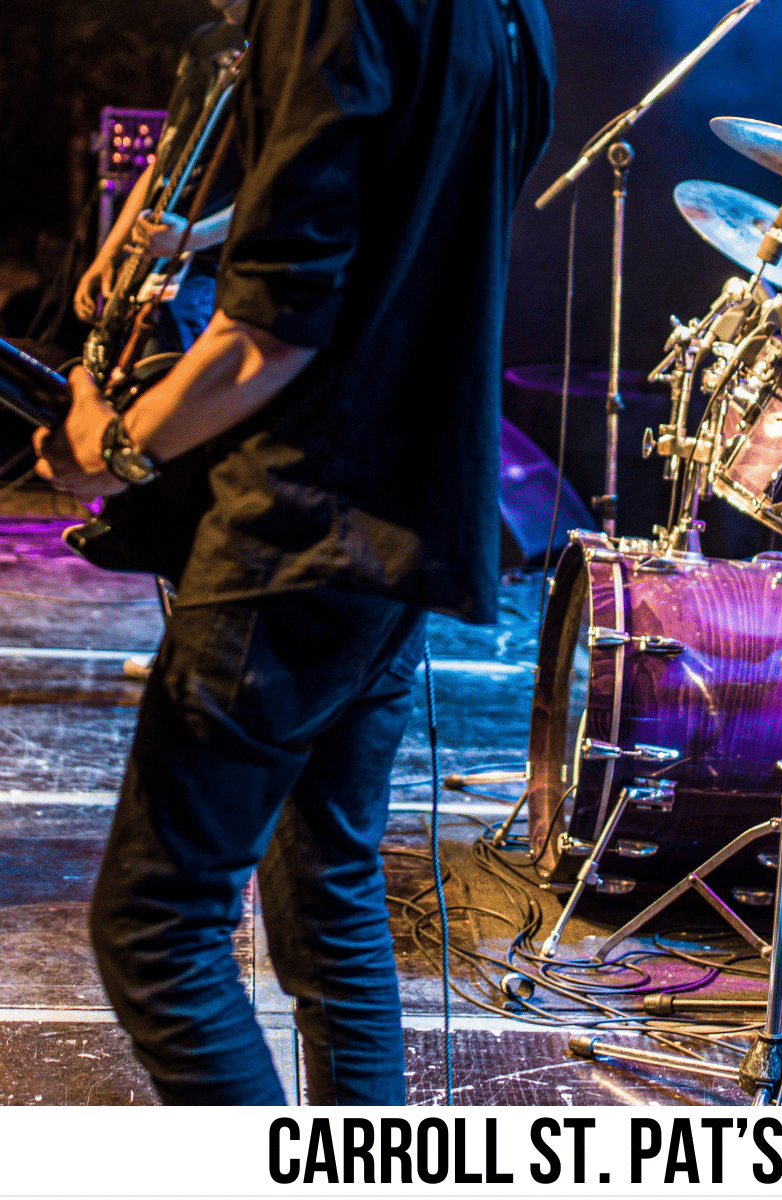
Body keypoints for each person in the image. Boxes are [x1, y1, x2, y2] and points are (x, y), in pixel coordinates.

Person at [34, 0, 555, 1104]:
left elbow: (276, 319)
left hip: (300, 521)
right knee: (330, 892)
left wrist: (117, 448)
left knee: (156, 927)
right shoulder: (514, 15)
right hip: (404, 520)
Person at [73, 0, 247, 354]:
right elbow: (163, 163)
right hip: (153, 263)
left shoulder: (283, 51)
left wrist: (192, 238)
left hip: (209, 271)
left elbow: (277, 187)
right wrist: (107, 256)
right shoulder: (203, 43)